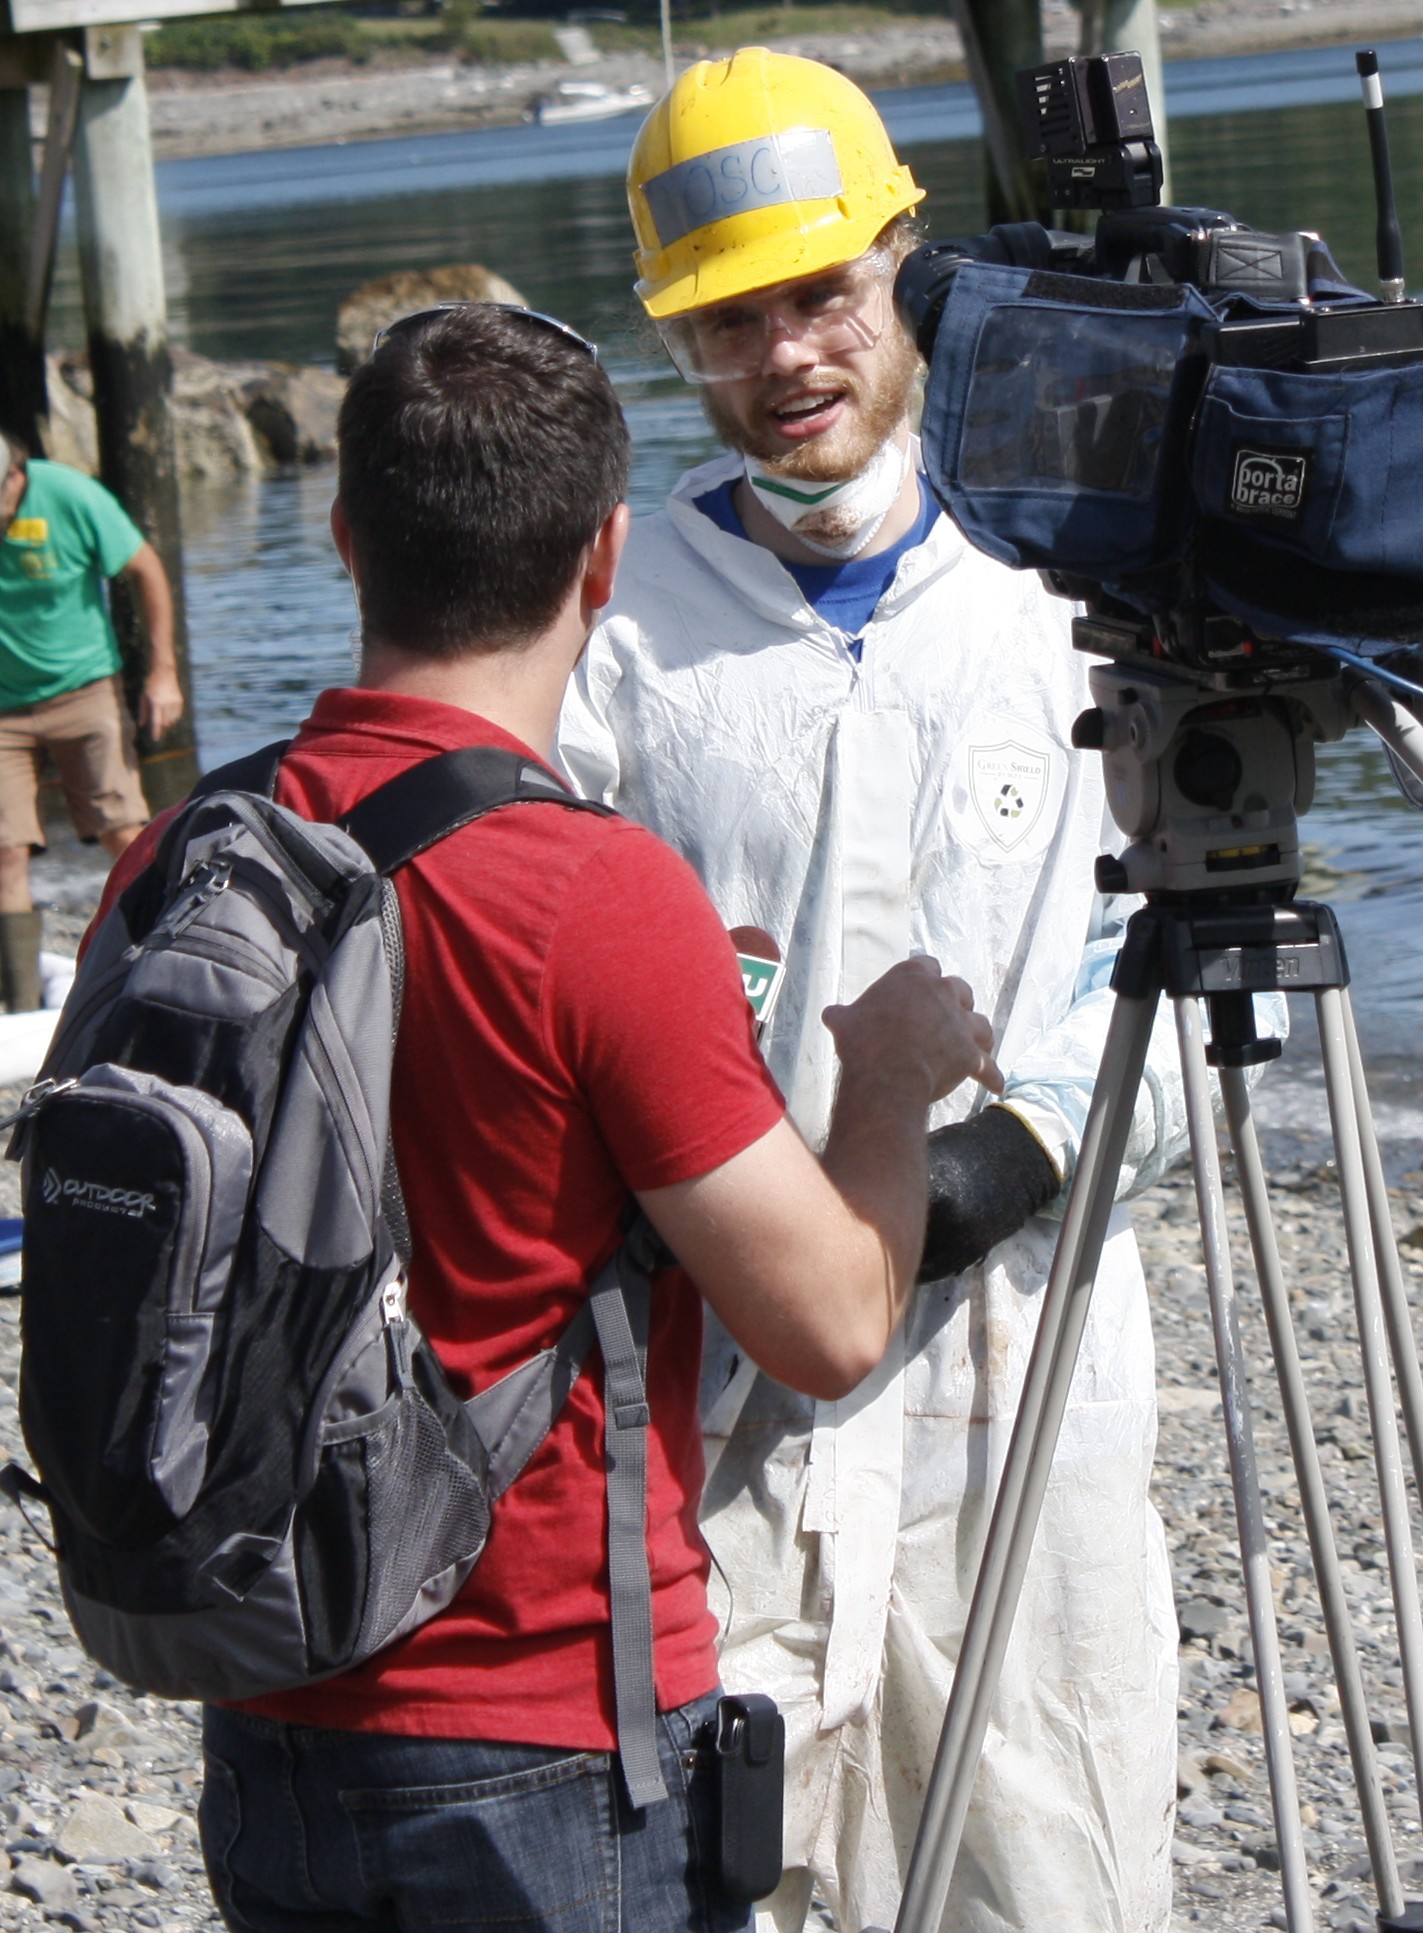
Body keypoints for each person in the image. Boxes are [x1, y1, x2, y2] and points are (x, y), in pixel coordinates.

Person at [91, 303, 1002, 1933]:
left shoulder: (175, 861)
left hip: (266, 1719)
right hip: (542, 1740)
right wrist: (887, 1072)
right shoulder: (596, 895)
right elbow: (831, 1319)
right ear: (605, 558)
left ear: (344, 533)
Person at [558, 50, 1280, 1933]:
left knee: (1052, 1850)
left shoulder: (1073, 584)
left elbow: (1192, 956)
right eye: (730, 323)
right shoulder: (622, 627)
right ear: (679, 340)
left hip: (1029, 1343)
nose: (786, 355)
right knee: (759, 1853)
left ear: (904, 263)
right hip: (739, 1349)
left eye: (822, 295)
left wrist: (1021, 1159)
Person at [0, 429, 183, 1011]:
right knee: (4, 850)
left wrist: (161, 671)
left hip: (84, 692)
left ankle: (171, 963)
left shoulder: (71, 496)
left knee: (123, 829)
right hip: (3, 707)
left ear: (16, 477)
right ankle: (23, 1007)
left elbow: (146, 570)